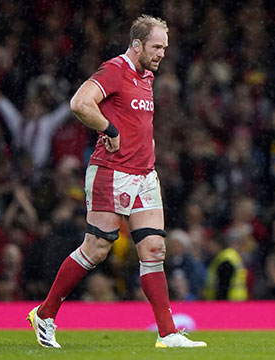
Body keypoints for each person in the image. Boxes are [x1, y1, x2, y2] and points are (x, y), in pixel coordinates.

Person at [26, 15, 206, 348]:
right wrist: (109, 130)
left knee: (154, 248)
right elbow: (80, 102)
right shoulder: (115, 70)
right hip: (112, 172)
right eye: (156, 46)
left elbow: (138, 125)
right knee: (96, 248)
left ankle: (167, 334)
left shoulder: (147, 77)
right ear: (137, 44)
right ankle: (46, 314)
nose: (162, 53)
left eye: (164, 47)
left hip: (144, 175)